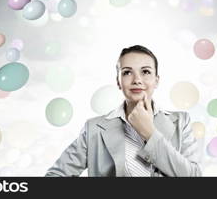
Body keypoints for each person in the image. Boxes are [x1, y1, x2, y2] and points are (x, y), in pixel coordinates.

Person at [45, 45, 202, 177]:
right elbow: (55, 175)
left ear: (157, 80)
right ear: (118, 82)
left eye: (145, 71)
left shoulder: (181, 122)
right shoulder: (94, 128)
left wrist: (150, 133)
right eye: (127, 72)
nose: (136, 80)